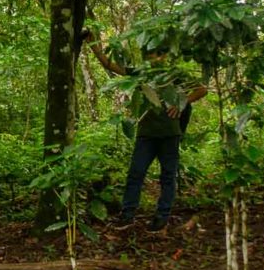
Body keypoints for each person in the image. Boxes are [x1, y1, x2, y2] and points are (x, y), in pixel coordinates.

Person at [86, 32, 207, 232]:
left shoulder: (175, 74)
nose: (154, 58)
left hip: (169, 133)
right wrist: (93, 44)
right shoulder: (140, 74)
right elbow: (109, 65)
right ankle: (127, 215)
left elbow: (202, 89)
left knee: (168, 176)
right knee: (136, 173)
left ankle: (162, 217)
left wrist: (182, 103)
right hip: (146, 135)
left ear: (165, 56)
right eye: (150, 55)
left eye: (158, 54)